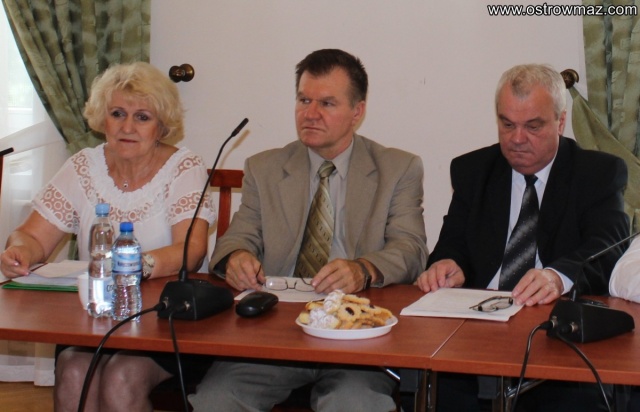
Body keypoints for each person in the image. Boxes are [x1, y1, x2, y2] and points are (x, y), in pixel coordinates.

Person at [189, 49, 428, 412]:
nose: (310, 113)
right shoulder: (264, 168)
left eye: (327, 103)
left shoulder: (398, 169)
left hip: (355, 334)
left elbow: (411, 249)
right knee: (216, 401)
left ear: (357, 112)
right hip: (275, 331)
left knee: (354, 406)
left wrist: (363, 269)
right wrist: (236, 257)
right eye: (304, 100)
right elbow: (238, 237)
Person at [0, 62, 216, 412]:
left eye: (142, 117)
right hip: (96, 317)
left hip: (167, 321)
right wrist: (19, 251)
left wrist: (135, 266)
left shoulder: (184, 167)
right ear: (103, 118)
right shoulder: (83, 166)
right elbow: (32, 237)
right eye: (117, 114)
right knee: (73, 368)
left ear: (161, 125)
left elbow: (191, 251)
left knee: (120, 376)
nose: (127, 127)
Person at [416, 64, 629, 412]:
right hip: (478, 333)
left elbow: (608, 248)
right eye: (507, 124)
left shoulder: (597, 173)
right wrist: (448, 264)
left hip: (555, 338)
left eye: (533, 126)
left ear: (560, 122)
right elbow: (453, 243)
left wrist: (557, 276)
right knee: (437, 388)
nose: (517, 139)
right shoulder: (473, 170)